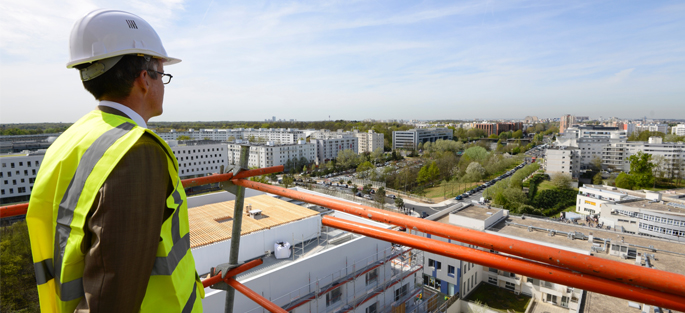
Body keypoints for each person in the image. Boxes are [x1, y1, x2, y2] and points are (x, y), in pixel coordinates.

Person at [26, 9, 203, 312]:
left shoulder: (73, 138)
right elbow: (111, 296)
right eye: (162, 74)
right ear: (145, 80)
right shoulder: (135, 151)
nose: (163, 85)